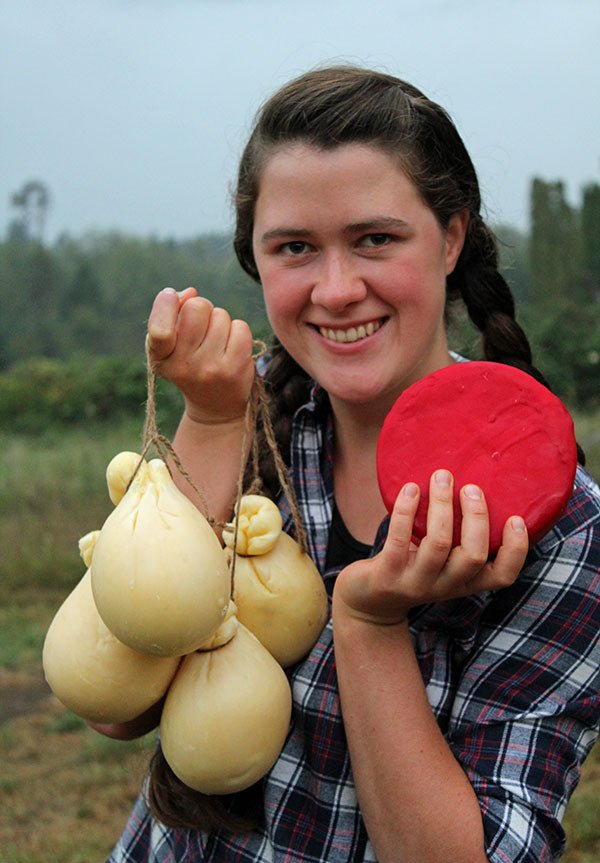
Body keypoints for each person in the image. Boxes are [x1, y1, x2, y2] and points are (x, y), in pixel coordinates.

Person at [100, 66, 600, 863]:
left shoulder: (558, 526)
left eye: (375, 238)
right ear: (256, 261)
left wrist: (369, 623)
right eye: (295, 247)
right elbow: (112, 704)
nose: (336, 290)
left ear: (452, 237)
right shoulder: (248, 412)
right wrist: (210, 420)